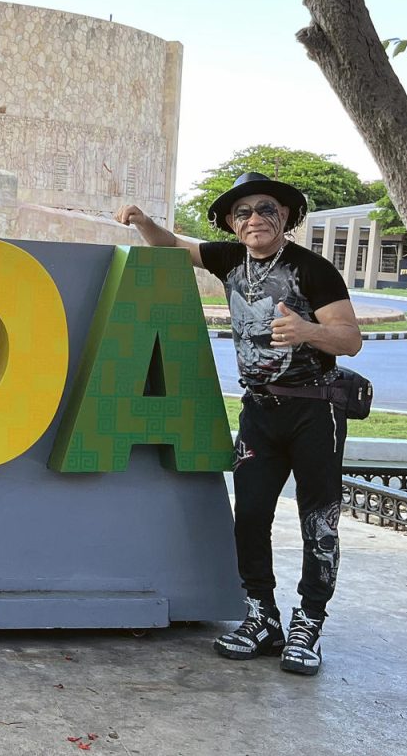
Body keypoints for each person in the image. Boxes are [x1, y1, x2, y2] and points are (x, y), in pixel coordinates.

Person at [117, 171, 361, 677]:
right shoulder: (230, 259)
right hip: (260, 412)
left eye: (267, 209)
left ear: (286, 217)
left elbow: (349, 339)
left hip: (316, 412)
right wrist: (143, 223)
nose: (255, 219)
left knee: (320, 524)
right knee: (249, 517)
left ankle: (309, 624)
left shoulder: (313, 270)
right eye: (244, 212)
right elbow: (176, 247)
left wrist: (307, 330)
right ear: (232, 222)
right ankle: (261, 617)